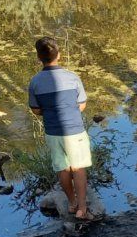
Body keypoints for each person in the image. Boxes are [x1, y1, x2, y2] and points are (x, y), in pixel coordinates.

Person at [28, 37, 96, 221]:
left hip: (53, 132)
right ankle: (82, 208)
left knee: (63, 168)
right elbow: (81, 105)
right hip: (74, 130)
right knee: (79, 168)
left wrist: (50, 111)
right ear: (59, 55)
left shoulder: (34, 82)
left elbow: (35, 110)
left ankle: (72, 203)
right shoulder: (72, 77)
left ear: (39, 57)